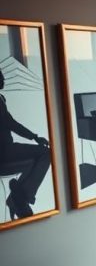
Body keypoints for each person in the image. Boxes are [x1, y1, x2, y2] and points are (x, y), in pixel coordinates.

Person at [0, 68, 51, 220]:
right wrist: (34, 137)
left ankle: (18, 197)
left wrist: (34, 137)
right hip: (4, 152)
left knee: (42, 155)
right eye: (0, 76)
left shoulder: (1, 98)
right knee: (46, 154)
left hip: (8, 149)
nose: (4, 79)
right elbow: (12, 124)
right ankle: (21, 199)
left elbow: (11, 123)